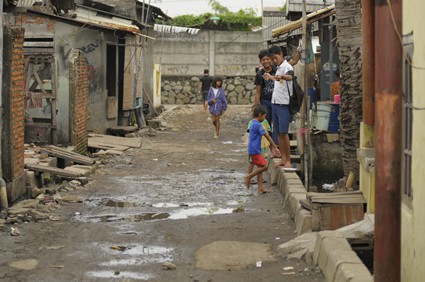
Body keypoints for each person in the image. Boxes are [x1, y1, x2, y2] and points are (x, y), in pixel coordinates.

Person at [266, 45, 294, 169]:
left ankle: (288, 159)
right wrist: (272, 78)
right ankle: (283, 158)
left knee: (284, 132)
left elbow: (290, 76)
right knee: (278, 132)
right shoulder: (278, 68)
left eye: (275, 58)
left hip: (284, 103)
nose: (274, 61)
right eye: (272, 59)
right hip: (275, 102)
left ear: (281, 54)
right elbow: (280, 82)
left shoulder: (287, 66)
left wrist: (282, 76)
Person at [244, 105, 279, 194]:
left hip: (253, 149)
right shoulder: (258, 125)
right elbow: (267, 136)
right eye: (264, 116)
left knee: (260, 167)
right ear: (260, 115)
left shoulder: (252, 123)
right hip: (255, 150)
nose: (264, 118)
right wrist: (275, 147)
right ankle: (249, 176)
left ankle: (260, 188)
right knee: (265, 166)